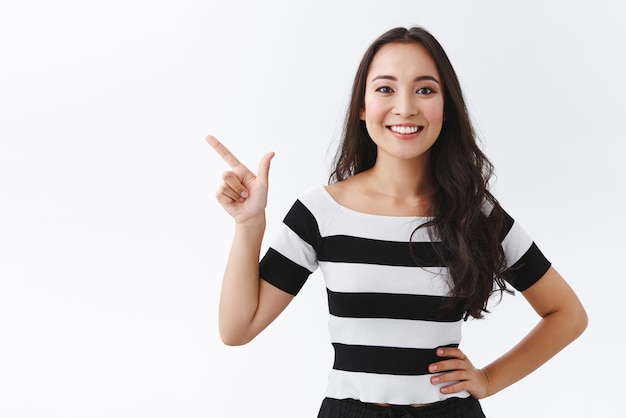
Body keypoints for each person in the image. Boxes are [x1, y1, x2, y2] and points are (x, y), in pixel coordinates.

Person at [207, 26, 588, 418]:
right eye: (386, 89)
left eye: (425, 90)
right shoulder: (321, 213)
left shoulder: (476, 214)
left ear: (448, 106)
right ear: (362, 106)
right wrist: (248, 225)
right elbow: (237, 329)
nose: (405, 107)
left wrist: (488, 380)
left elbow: (568, 314)